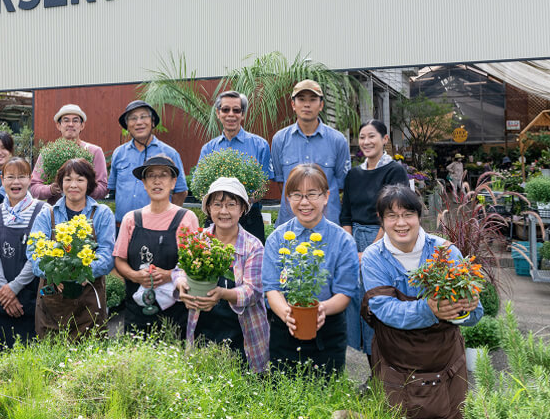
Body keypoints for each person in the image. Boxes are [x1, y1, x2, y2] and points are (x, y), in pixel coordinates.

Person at [361, 184, 483, 419]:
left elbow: (475, 313)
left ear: (419, 216)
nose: (401, 223)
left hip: (446, 363)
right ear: (381, 219)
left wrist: (465, 309)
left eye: (408, 214)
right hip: (395, 363)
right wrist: (430, 308)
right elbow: (384, 309)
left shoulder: (446, 252)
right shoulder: (374, 258)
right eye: (392, 216)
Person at [262, 163, 358, 375]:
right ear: (288, 199)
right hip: (285, 328)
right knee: (284, 393)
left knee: (326, 396)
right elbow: (271, 288)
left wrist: (322, 309)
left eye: (312, 194)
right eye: (297, 195)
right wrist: (286, 313)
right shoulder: (277, 239)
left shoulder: (342, 240)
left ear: (326, 196)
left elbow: (345, 292)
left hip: (329, 329)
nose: (304, 202)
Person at [174, 177, 269, 373]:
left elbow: (253, 292)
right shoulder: (198, 239)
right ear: (208, 208)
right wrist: (181, 283)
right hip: (203, 329)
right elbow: (178, 270)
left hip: (242, 335)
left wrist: (222, 294)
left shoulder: (253, 246)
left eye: (231, 205)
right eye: (217, 204)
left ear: (242, 209)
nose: (224, 211)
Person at [340, 120, 409, 358]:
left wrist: (369, 249)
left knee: (376, 297)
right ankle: (355, 355)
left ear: (385, 139)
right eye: (362, 137)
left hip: (382, 239)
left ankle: (379, 363)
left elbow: (393, 213)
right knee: (350, 296)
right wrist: (350, 247)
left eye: (372, 136)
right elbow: (346, 213)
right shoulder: (353, 174)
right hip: (353, 239)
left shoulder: (395, 170)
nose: (367, 142)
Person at [113, 156, 199, 337]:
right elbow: (119, 260)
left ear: (173, 182)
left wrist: (169, 275)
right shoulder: (131, 219)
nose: (157, 181)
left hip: (175, 312)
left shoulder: (186, 218)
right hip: (136, 310)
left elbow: (194, 263)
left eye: (164, 175)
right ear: (144, 183)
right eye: (151, 176)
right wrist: (135, 276)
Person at [30, 158, 115, 339]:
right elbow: (33, 252)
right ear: (60, 183)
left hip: (89, 299)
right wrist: (54, 275)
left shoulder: (101, 214)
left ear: (89, 183)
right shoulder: (48, 214)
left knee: (88, 358)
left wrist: (83, 273)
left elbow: (107, 255)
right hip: (52, 303)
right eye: (68, 179)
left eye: (80, 179)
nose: (73, 185)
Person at [0, 157, 49, 348]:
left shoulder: (43, 211)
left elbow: (38, 254)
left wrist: (14, 288)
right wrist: (4, 290)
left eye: (21, 177)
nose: (15, 182)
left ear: (30, 179)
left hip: (30, 297)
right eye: (10, 177)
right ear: (2, 180)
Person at [197, 90, 274, 243]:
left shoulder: (260, 145)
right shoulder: (209, 149)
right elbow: (201, 186)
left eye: (236, 110)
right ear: (218, 114)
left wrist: (245, 202)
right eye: (225, 110)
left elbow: (265, 184)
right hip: (217, 218)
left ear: (242, 114)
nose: (231, 114)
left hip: (250, 218)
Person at [271, 80, 350, 226]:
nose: (307, 104)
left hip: (327, 223)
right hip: (290, 224)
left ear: (321, 105)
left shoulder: (337, 140)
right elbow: (282, 182)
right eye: (301, 99)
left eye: (313, 100)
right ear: (293, 105)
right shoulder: (279, 139)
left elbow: (340, 184)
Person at [108, 100, 188, 232]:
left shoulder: (169, 153)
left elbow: (181, 191)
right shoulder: (119, 153)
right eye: (133, 118)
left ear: (153, 122)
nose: (139, 122)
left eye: (143, 117)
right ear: (127, 126)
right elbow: (115, 189)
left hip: (158, 227)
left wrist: (169, 219)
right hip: (122, 227)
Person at [30, 104, 108, 202]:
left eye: (75, 121)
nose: (70, 124)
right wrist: (51, 189)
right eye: (66, 120)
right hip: (56, 211)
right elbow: (34, 188)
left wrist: (84, 188)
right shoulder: (49, 153)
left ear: (82, 125)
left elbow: (103, 188)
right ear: (58, 125)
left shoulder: (94, 151)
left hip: (86, 212)